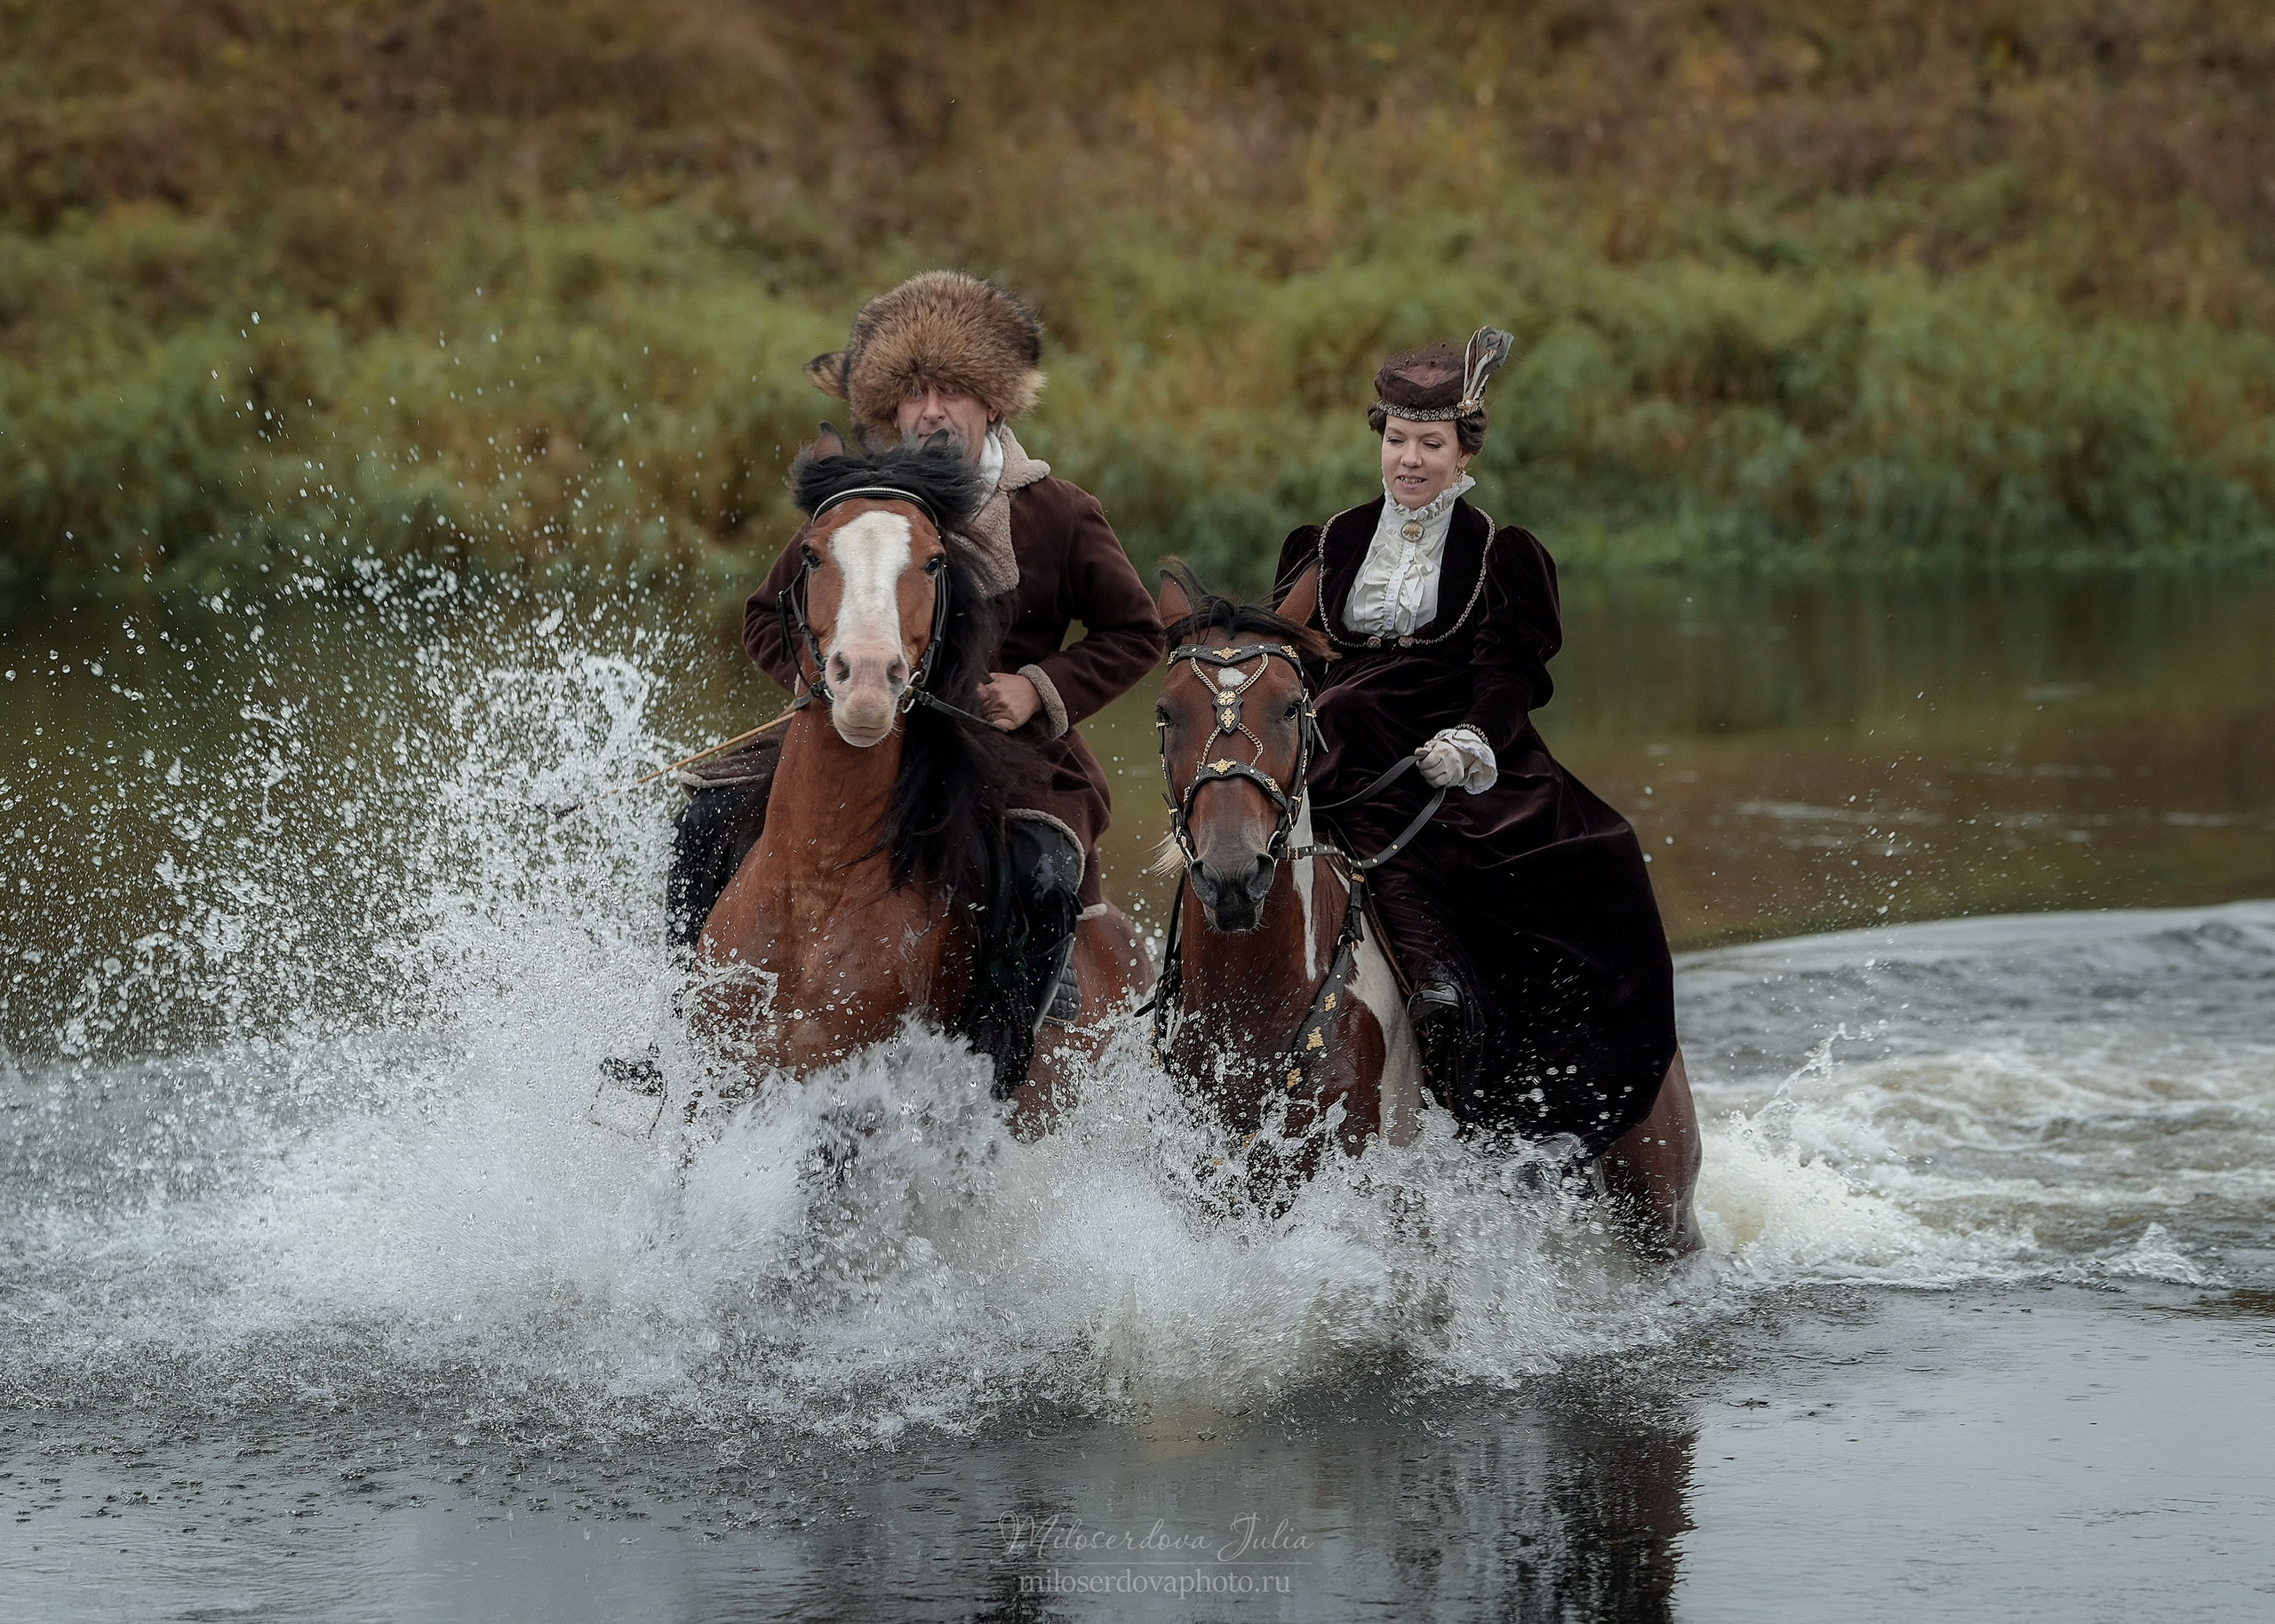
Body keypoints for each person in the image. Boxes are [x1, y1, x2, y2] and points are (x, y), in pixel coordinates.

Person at [1275, 328, 1698, 1251]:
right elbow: (1292, 662)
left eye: (1430, 444)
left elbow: (1508, 675)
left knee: (1587, 860)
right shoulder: (1326, 543)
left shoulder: (1501, 551)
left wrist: (1473, 740)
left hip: (1447, 748)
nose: (1409, 459)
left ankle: (1516, 1083)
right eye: (1396, 440)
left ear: (1463, 452)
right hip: (1339, 752)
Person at [667, 271, 1164, 1020]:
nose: (931, 410)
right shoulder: (857, 507)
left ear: (992, 402)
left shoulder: (1058, 511)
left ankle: (1002, 1051)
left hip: (1006, 749)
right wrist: (825, 676)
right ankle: (677, 1017)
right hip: (856, 724)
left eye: (952, 391)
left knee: (1042, 870)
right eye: (912, 394)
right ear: (890, 412)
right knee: (703, 819)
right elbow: (768, 615)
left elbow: (1137, 632)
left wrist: (1036, 689)